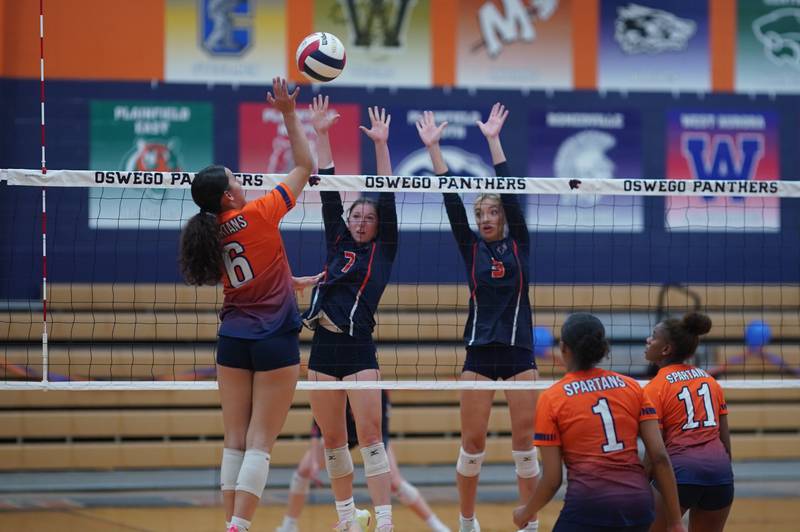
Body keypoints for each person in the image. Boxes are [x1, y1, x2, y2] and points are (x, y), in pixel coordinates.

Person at [178, 77, 314, 532]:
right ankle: (240, 525)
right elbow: (305, 165)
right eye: (236, 180)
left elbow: (246, 273)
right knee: (259, 443)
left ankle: (232, 526)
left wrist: (284, 278)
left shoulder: (206, 237)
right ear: (227, 196)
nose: (241, 182)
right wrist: (289, 113)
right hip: (274, 340)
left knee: (234, 441)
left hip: (232, 341)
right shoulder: (259, 213)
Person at [416, 104, 539, 532]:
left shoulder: (519, 244)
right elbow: (451, 198)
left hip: (519, 352)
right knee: (472, 446)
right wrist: (434, 149)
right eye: (480, 214)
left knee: (526, 448)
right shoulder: (472, 250)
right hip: (480, 355)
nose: (485, 218)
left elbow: (509, 189)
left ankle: (530, 524)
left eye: (492, 213)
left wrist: (493, 140)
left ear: (503, 217)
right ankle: (467, 523)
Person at [301, 96, 398, 532]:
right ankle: (346, 519)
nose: (360, 220)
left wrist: (380, 144)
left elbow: (388, 193)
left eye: (368, 216)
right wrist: (322, 133)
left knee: (373, 439)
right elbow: (326, 189)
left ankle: (385, 520)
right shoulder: (337, 242)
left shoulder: (383, 251)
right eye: (355, 214)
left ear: (378, 225)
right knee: (333, 443)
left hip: (359, 349)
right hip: (322, 349)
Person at [512, 313, 687, 532]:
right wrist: (675, 521)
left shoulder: (553, 398)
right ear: (602, 347)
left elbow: (552, 479)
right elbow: (660, 457)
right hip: (638, 504)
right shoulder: (632, 387)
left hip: (588, 505)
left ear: (564, 348)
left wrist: (525, 512)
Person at [275, 391, 450, 532]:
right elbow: (317, 426)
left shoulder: (376, 390)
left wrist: (379, 462)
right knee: (304, 471)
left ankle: (435, 525)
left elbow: (382, 434)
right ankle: (289, 525)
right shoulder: (332, 379)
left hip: (371, 435)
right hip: (340, 434)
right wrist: (314, 459)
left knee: (395, 482)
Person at [643, 313, 734, 532]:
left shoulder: (655, 388)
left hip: (680, 474)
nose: (647, 340)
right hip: (720, 474)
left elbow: (655, 453)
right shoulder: (710, 381)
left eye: (653, 337)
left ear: (666, 349)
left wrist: (641, 485)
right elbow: (725, 443)